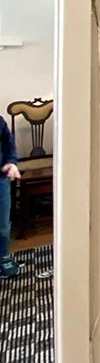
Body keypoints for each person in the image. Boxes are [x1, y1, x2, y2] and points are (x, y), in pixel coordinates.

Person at [0, 115, 21, 278]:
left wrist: (12, 162)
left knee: (3, 224)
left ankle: (3, 257)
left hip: (0, 179)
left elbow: (9, 144)